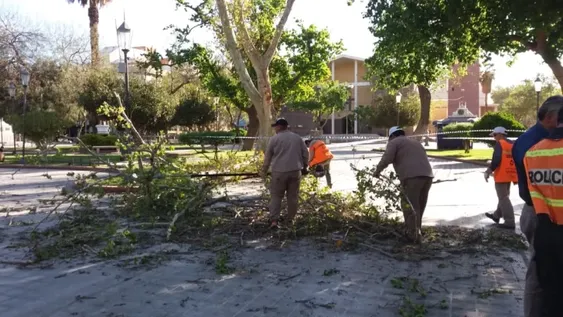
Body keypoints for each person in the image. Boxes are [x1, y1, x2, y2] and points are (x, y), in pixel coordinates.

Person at [512, 96, 563, 317]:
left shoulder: (531, 142)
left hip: (544, 213)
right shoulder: (532, 144)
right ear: (551, 116)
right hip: (541, 214)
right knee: (539, 272)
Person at [374, 126, 434, 243]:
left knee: (409, 206)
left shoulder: (394, 142)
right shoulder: (415, 142)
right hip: (428, 176)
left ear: (392, 136)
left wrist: (377, 171)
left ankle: (412, 235)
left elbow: (387, 158)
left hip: (412, 178)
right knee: (420, 206)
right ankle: (417, 231)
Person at [261, 118, 309, 228]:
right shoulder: (297, 138)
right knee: (292, 197)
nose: (275, 129)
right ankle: (290, 220)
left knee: (276, 196)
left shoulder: (274, 139)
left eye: (275, 127)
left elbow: (268, 157)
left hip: (279, 172)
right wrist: (305, 167)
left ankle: (274, 221)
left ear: (279, 127)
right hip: (295, 171)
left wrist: (264, 171)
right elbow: (305, 154)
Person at [484, 126, 518, 229]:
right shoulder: (512, 144)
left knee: (503, 198)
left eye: (494, 135)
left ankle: (510, 221)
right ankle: (496, 216)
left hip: (502, 175)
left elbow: (497, 159)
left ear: (500, 134)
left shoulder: (500, 144)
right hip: (511, 174)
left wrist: (488, 171)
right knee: (504, 197)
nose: (494, 137)